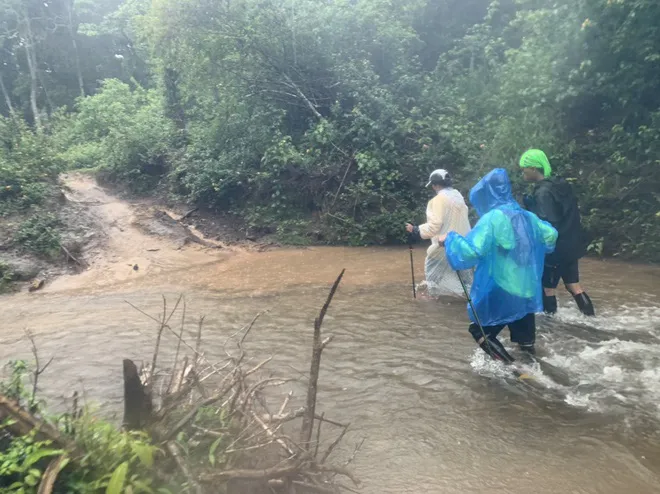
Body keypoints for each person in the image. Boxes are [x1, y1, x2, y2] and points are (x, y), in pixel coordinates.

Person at [438, 168, 558, 360]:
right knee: (525, 343)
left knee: (479, 330)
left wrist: (450, 239)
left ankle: (511, 368)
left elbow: (470, 252)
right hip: (527, 289)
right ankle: (534, 373)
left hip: (504, 286)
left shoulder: (493, 218)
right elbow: (551, 235)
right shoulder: (528, 216)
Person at [519, 149, 595, 316]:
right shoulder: (560, 185)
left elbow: (548, 223)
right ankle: (591, 320)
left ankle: (550, 327)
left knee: (548, 288)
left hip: (556, 248)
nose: (522, 171)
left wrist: (530, 207)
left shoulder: (543, 192)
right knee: (573, 285)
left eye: (524, 168)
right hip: (571, 244)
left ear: (533, 168)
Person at [405, 169, 472, 297]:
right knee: (466, 281)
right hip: (463, 246)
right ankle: (468, 301)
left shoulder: (437, 201)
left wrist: (416, 230)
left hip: (443, 246)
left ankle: (440, 301)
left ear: (435, 185)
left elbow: (434, 226)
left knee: (433, 278)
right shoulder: (458, 197)